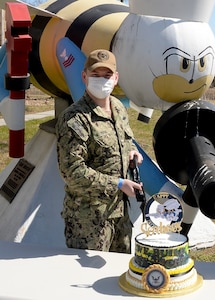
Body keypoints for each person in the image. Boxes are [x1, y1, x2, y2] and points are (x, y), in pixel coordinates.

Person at [56, 49, 143, 253]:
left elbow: (123, 140)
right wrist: (119, 184)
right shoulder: (75, 119)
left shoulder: (118, 107)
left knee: (118, 277)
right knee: (84, 281)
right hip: (88, 221)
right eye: (95, 75)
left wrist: (131, 152)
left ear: (116, 78)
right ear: (84, 76)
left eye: (107, 75)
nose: (102, 80)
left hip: (120, 214)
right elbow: (72, 171)